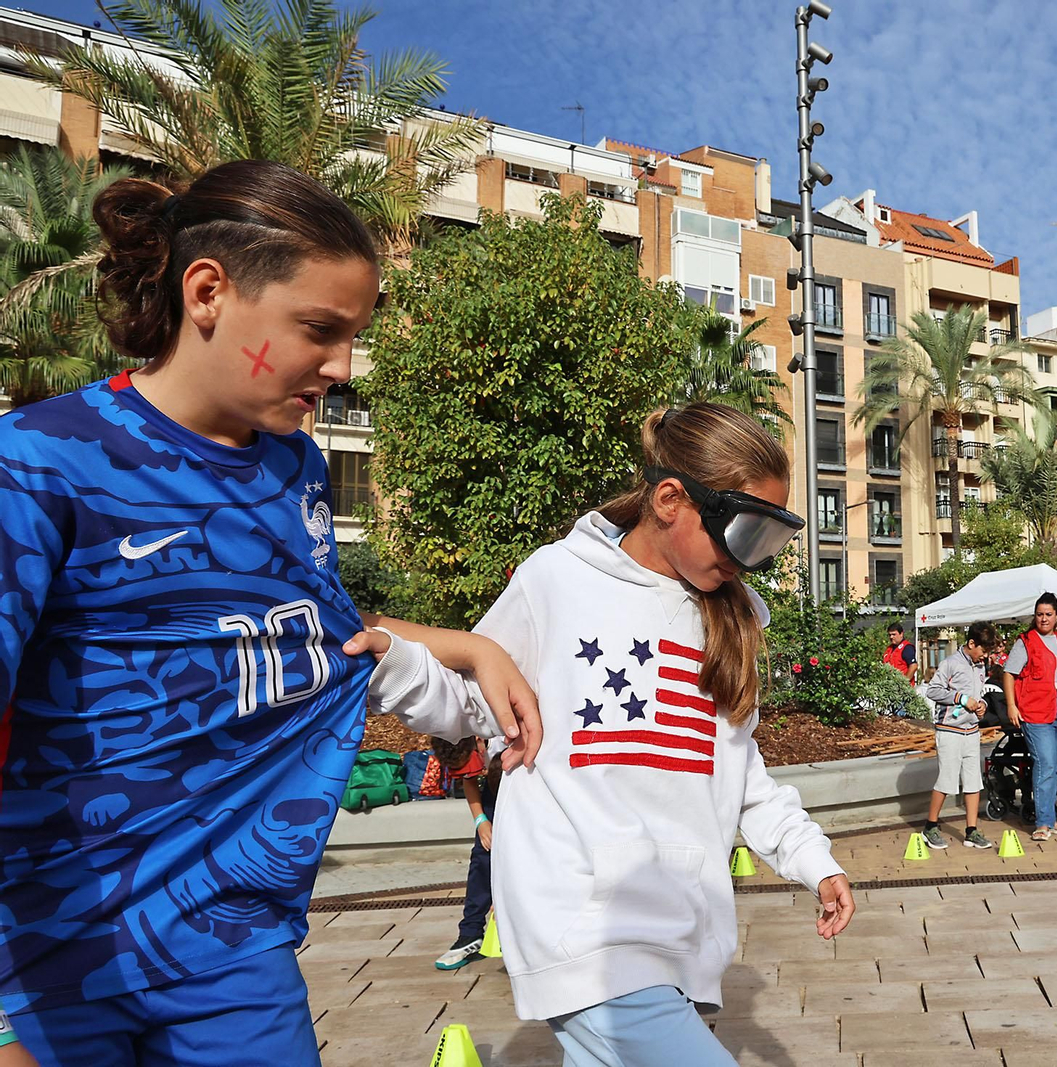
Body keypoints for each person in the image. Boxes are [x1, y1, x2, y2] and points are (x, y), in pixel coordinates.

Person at [0, 161, 537, 1067]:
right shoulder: (42, 462)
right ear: (207, 291)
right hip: (55, 954)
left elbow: (315, 626)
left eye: (353, 337)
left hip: (235, 949)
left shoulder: (296, 470)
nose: (342, 366)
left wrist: (467, 645)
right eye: (320, 330)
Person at [357, 403, 855, 1065]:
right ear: (672, 499)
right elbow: (469, 702)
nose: (749, 561)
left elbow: (745, 779)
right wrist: (388, 656)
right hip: (583, 928)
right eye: (743, 534)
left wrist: (815, 862)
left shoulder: (727, 622)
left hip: (678, 933)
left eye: (769, 540)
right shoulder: (557, 581)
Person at [1001, 594, 1057, 842]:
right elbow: (1009, 673)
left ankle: (1050, 816)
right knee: (1044, 762)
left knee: (1056, 764)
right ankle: (1042, 822)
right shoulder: (1025, 642)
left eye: (1048, 614)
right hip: (1035, 709)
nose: (1044, 618)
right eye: (1040, 614)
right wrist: (1012, 706)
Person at [923, 623, 999, 850]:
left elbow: (980, 691)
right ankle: (930, 826)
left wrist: (982, 704)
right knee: (946, 780)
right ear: (971, 643)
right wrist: (961, 699)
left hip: (971, 731)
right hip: (949, 730)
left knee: (973, 781)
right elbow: (933, 690)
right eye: (983, 651)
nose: (984, 656)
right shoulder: (950, 663)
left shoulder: (980, 666)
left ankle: (971, 831)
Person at [433, 737, 506, 970]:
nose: (478, 770)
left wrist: (504, 891)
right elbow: (470, 781)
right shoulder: (457, 737)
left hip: (526, 782)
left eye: (476, 765)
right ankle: (471, 934)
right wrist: (481, 820)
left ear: (479, 741)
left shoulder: (503, 727)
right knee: (482, 854)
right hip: (494, 791)